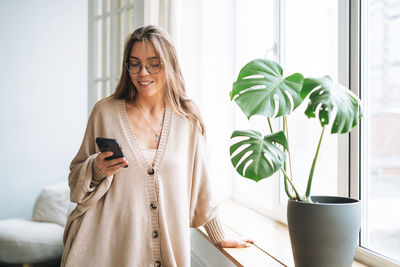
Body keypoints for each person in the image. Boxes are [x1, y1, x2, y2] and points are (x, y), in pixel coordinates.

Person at [61, 25, 253, 267]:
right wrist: (97, 168)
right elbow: (75, 178)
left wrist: (219, 236)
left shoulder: (187, 120)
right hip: (106, 250)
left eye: (154, 63)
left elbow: (200, 184)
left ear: (169, 64)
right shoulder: (105, 112)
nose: (143, 72)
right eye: (135, 63)